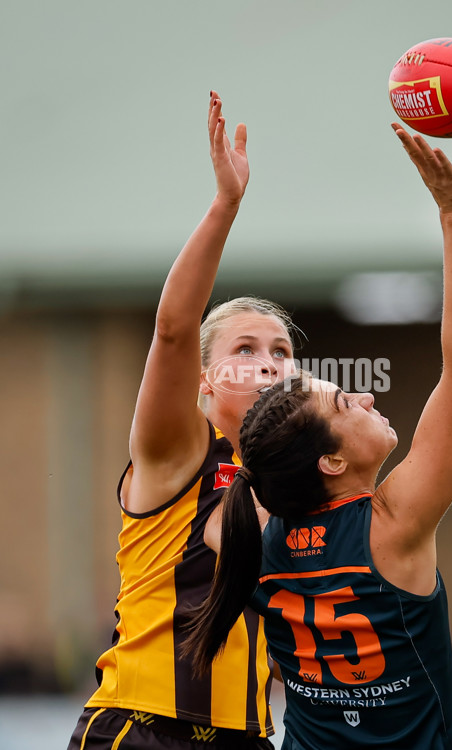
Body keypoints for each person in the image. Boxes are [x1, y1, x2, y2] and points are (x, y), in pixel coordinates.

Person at [184, 126, 452, 749]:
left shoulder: (243, 531)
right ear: (329, 460)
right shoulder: (392, 524)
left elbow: (256, 469)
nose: (369, 395)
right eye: (347, 400)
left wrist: (240, 411)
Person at [67, 92, 298, 749]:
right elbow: (173, 332)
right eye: (246, 349)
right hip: (143, 729)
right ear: (203, 379)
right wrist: (226, 205)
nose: (269, 364)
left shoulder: (292, 486)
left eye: (282, 353)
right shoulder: (179, 453)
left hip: (250, 736)